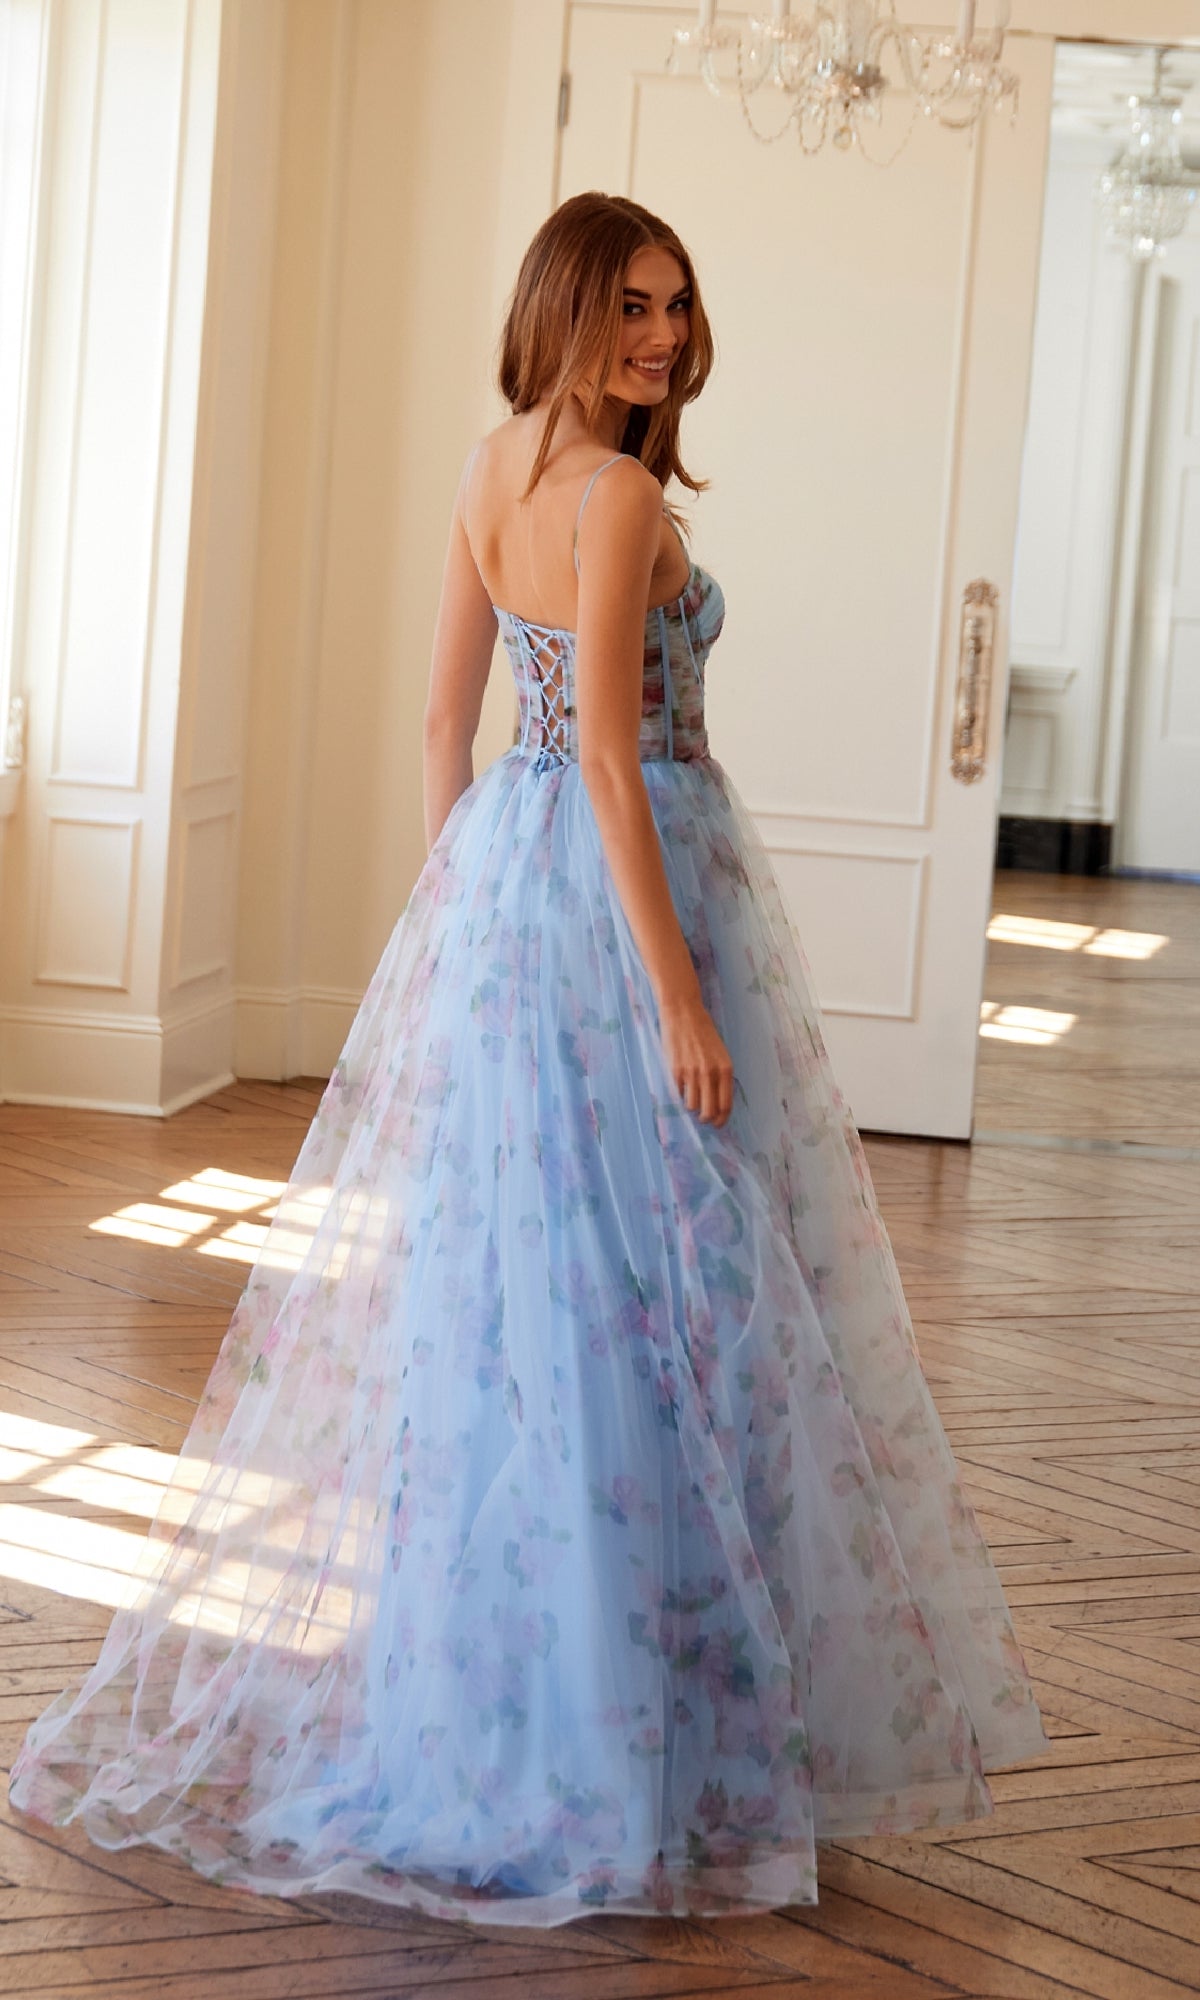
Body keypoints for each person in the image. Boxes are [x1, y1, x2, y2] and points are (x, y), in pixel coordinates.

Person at [9, 190, 1046, 1927]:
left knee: (532, 1307)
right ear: (563, 307)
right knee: (666, 1308)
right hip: (640, 897)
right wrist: (683, 1001)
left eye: (676, 308)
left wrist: (460, 927)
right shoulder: (623, 495)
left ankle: (541, 1717)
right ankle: (639, 1749)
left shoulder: (493, 468)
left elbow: (450, 724)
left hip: (513, 881)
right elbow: (625, 768)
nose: (661, 337)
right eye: (631, 307)